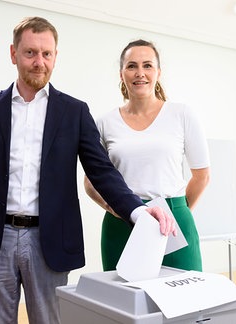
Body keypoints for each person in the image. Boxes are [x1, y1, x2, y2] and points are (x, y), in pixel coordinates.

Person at [0, 18, 175, 324]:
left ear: (55, 56)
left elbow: (102, 171)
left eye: (47, 54)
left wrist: (137, 211)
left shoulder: (74, 111)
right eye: (30, 53)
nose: (39, 62)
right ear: (14, 54)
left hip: (49, 242)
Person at [85, 39, 210, 272]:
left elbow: (201, 176)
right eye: (131, 66)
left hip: (173, 221)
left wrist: (175, 211)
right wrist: (118, 210)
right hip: (122, 221)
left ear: (158, 72)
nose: (139, 73)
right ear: (121, 74)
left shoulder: (182, 114)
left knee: (183, 299)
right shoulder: (104, 123)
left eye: (147, 65)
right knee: (121, 302)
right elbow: (90, 183)